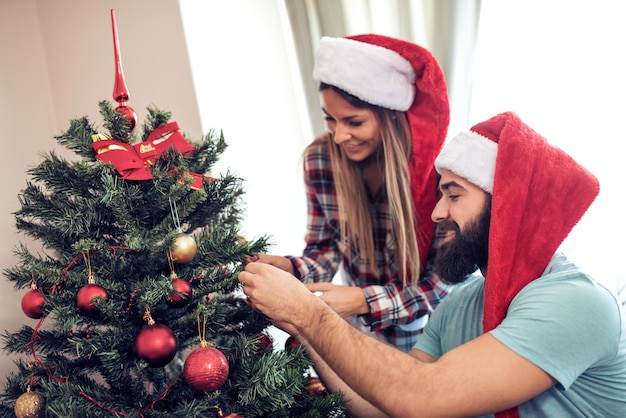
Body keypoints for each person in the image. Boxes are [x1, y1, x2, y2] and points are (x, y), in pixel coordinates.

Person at [239, 112, 626, 417]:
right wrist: (300, 324)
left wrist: (309, 313)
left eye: (454, 195)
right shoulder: (456, 307)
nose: (437, 213)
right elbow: (384, 407)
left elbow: (420, 397)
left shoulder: (575, 302)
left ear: (508, 207)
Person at [251, 34, 453, 352]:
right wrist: (293, 269)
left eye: (354, 122)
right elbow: (326, 249)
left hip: (439, 341)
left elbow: (437, 288)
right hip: (367, 341)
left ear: (391, 117)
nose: (340, 135)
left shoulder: (439, 175)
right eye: (330, 119)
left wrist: (360, 299)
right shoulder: (320, 160)